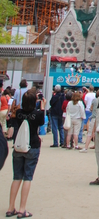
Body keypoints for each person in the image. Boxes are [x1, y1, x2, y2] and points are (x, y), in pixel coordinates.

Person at [6, 89, 45, 218]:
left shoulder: (18, 113)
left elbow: (12, 120)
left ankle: (11, 207)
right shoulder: (37, 114)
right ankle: (22, 209)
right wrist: (42, 107)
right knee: (27, 177)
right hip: (32, 145)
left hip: (18, 146)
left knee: (16, 177)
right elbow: (41, 123)